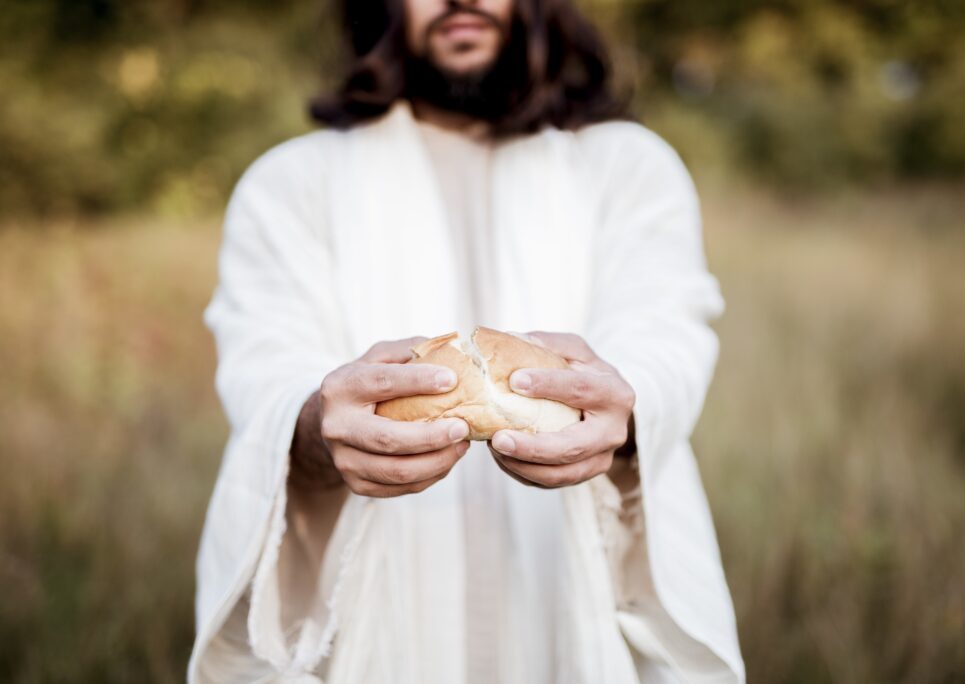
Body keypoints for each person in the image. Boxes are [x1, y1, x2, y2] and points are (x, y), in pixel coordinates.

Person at [189, 0, 744, 681]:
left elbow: (667, 329)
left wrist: (622, 411)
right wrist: (313, 427)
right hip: (378, 620)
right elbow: (264, 361)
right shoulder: (289, 184)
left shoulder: (628, 166)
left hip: (572, 602)